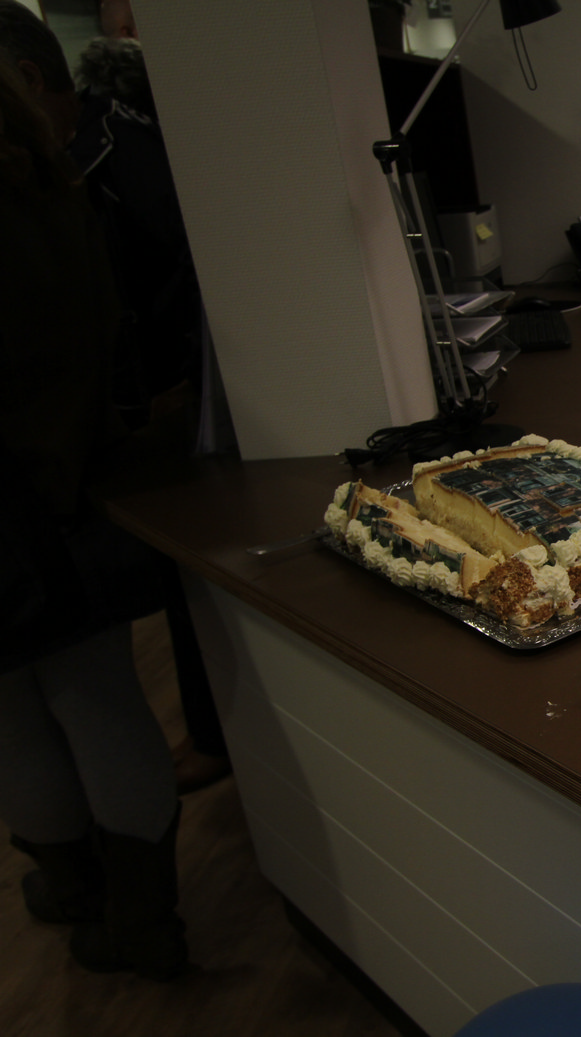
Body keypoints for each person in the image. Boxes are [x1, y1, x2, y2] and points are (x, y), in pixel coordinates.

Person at [0, 0, 185, 980]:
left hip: (16, 505)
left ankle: (80, 890)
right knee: (99, 698)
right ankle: (145, 919)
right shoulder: (55, 189)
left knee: (18, 717)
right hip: (72, 485)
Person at [69, 18, 233, 794]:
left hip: (163, 390)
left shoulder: (106, 149)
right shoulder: (132, 142)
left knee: (183, 573)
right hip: (175, 384)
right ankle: (212, 732)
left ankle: (212, 735)